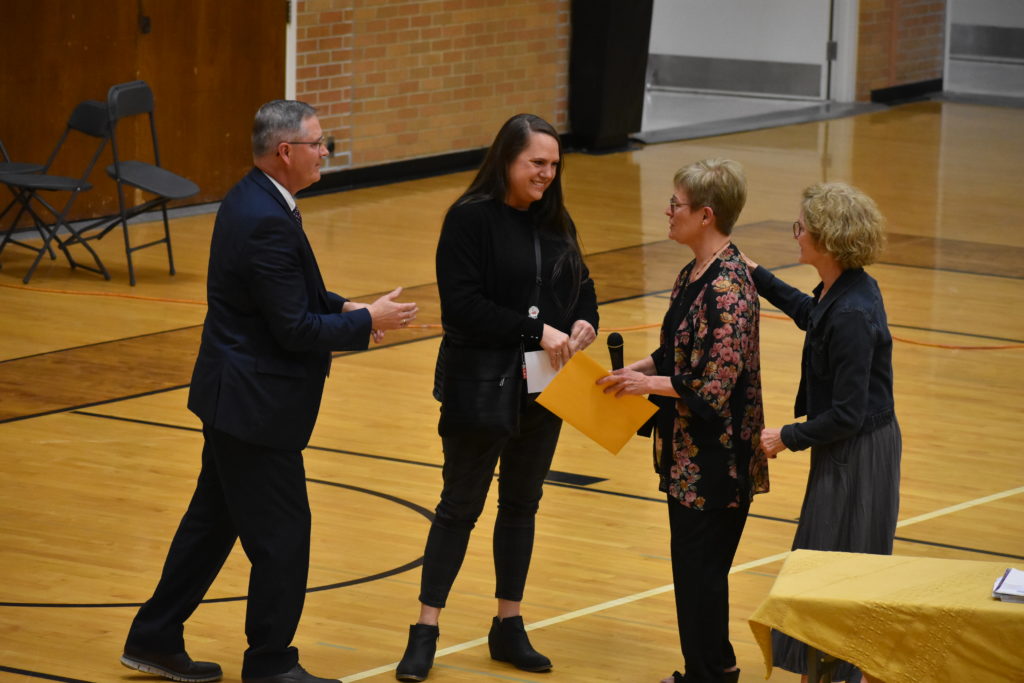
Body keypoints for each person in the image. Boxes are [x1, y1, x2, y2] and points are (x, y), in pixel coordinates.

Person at [120, 100, 418, 683]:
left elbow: (289, 295)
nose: (325, 152)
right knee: (283, 538)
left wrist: (346, 306)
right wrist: (366, 323)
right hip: (255, 408)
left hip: (235, 399)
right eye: (318, 143)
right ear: (286, 152)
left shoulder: (256, 199)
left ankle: (154, 637)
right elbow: (293, 328)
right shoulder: (264, 218)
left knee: (210, 527)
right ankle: (271, 664)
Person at [394, 113, 599, 681]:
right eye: (537, 163)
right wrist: (538, 331)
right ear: (507, 159)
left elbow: (583, 287)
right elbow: (462, 307)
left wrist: (584, 322)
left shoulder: (556, 220)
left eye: (554, 165)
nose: (547, 174)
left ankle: (508, 625)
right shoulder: (469, 221)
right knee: (459, 505)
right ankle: (425, 629)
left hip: (544, 384)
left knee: (522, 505)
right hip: (481, 384)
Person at [598, 159, 768, 683]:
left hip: (718, 462)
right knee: (692, 574)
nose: (668, 211)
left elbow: (714, 389)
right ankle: (708, 670)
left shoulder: (729, 289)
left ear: (705, 214)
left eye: (676, 204)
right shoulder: (693, 272)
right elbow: (676, 350)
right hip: (687, 455)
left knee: (703, 574)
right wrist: (641, 369)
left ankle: (712, 672)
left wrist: (645, 386)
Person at [742, 182, 900, 683]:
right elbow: (813, 317)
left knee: (837, 564)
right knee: (827, 559)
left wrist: (785, 436)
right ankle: (824, 672)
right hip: (848, 444)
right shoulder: (844, 288)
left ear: (828, 240)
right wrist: (758, 277)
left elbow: (849, 414)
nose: (798, 234)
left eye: (802, 228)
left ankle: (835, 673)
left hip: (858, 449)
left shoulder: (853, 312)